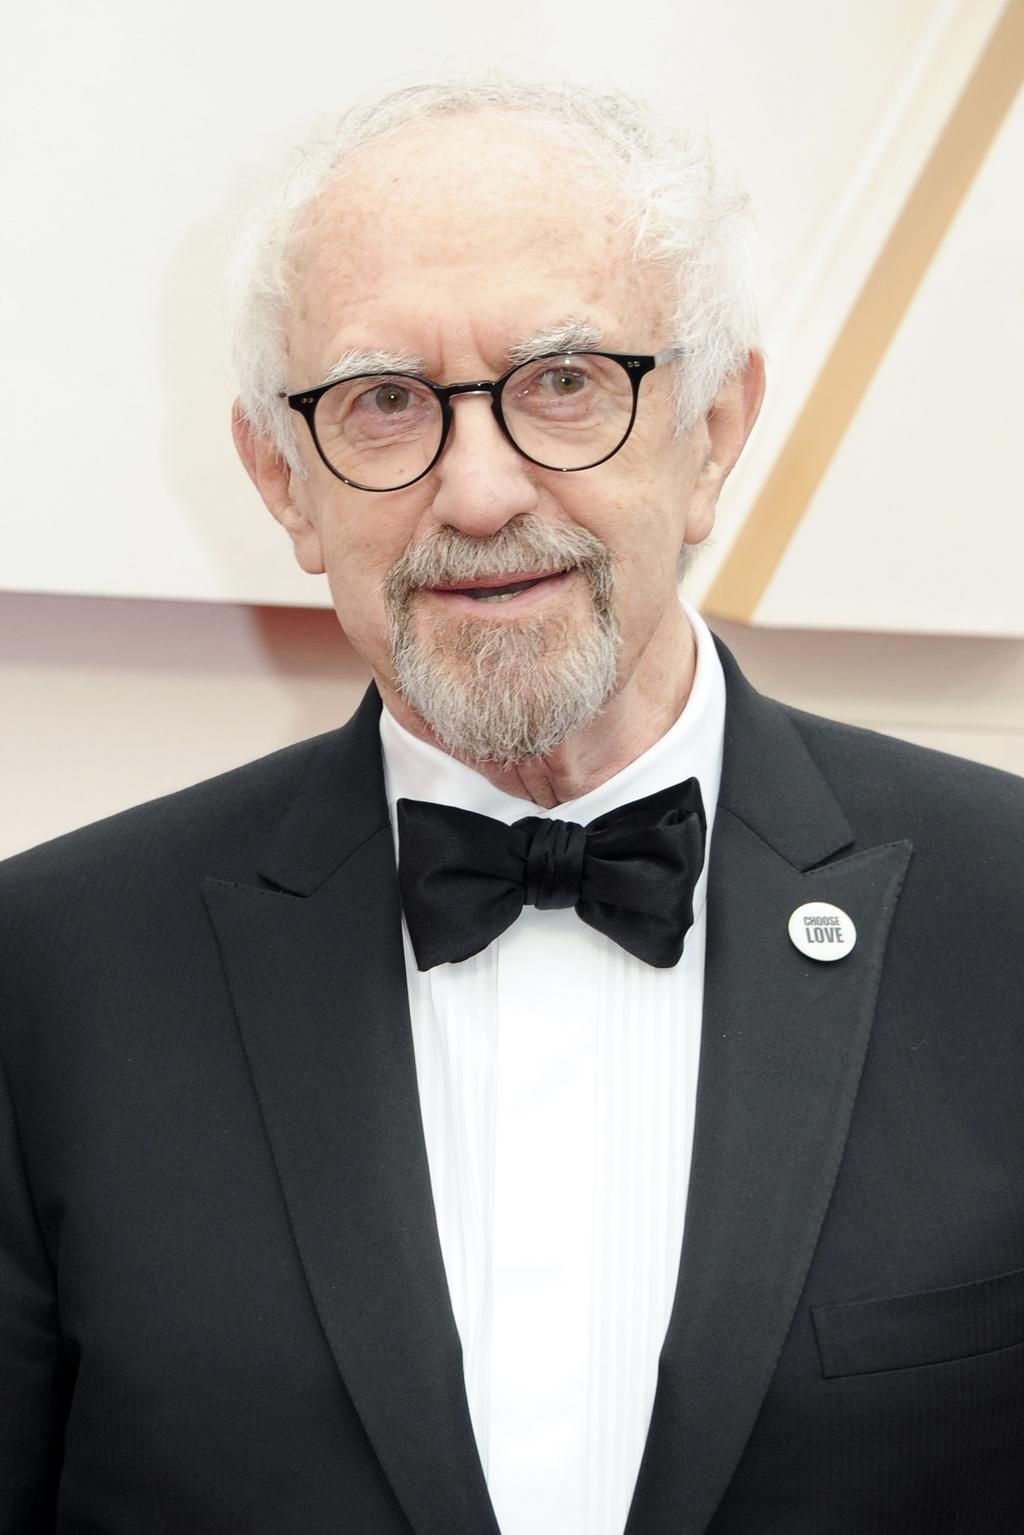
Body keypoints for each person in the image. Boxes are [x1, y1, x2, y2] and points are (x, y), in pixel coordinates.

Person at [1, 80, 1022, 1535]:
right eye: (383, 403)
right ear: (282, 481)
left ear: (714, 429)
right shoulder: (48, 978)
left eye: (563, 383)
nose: (478, 495)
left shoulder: (1006, 910)